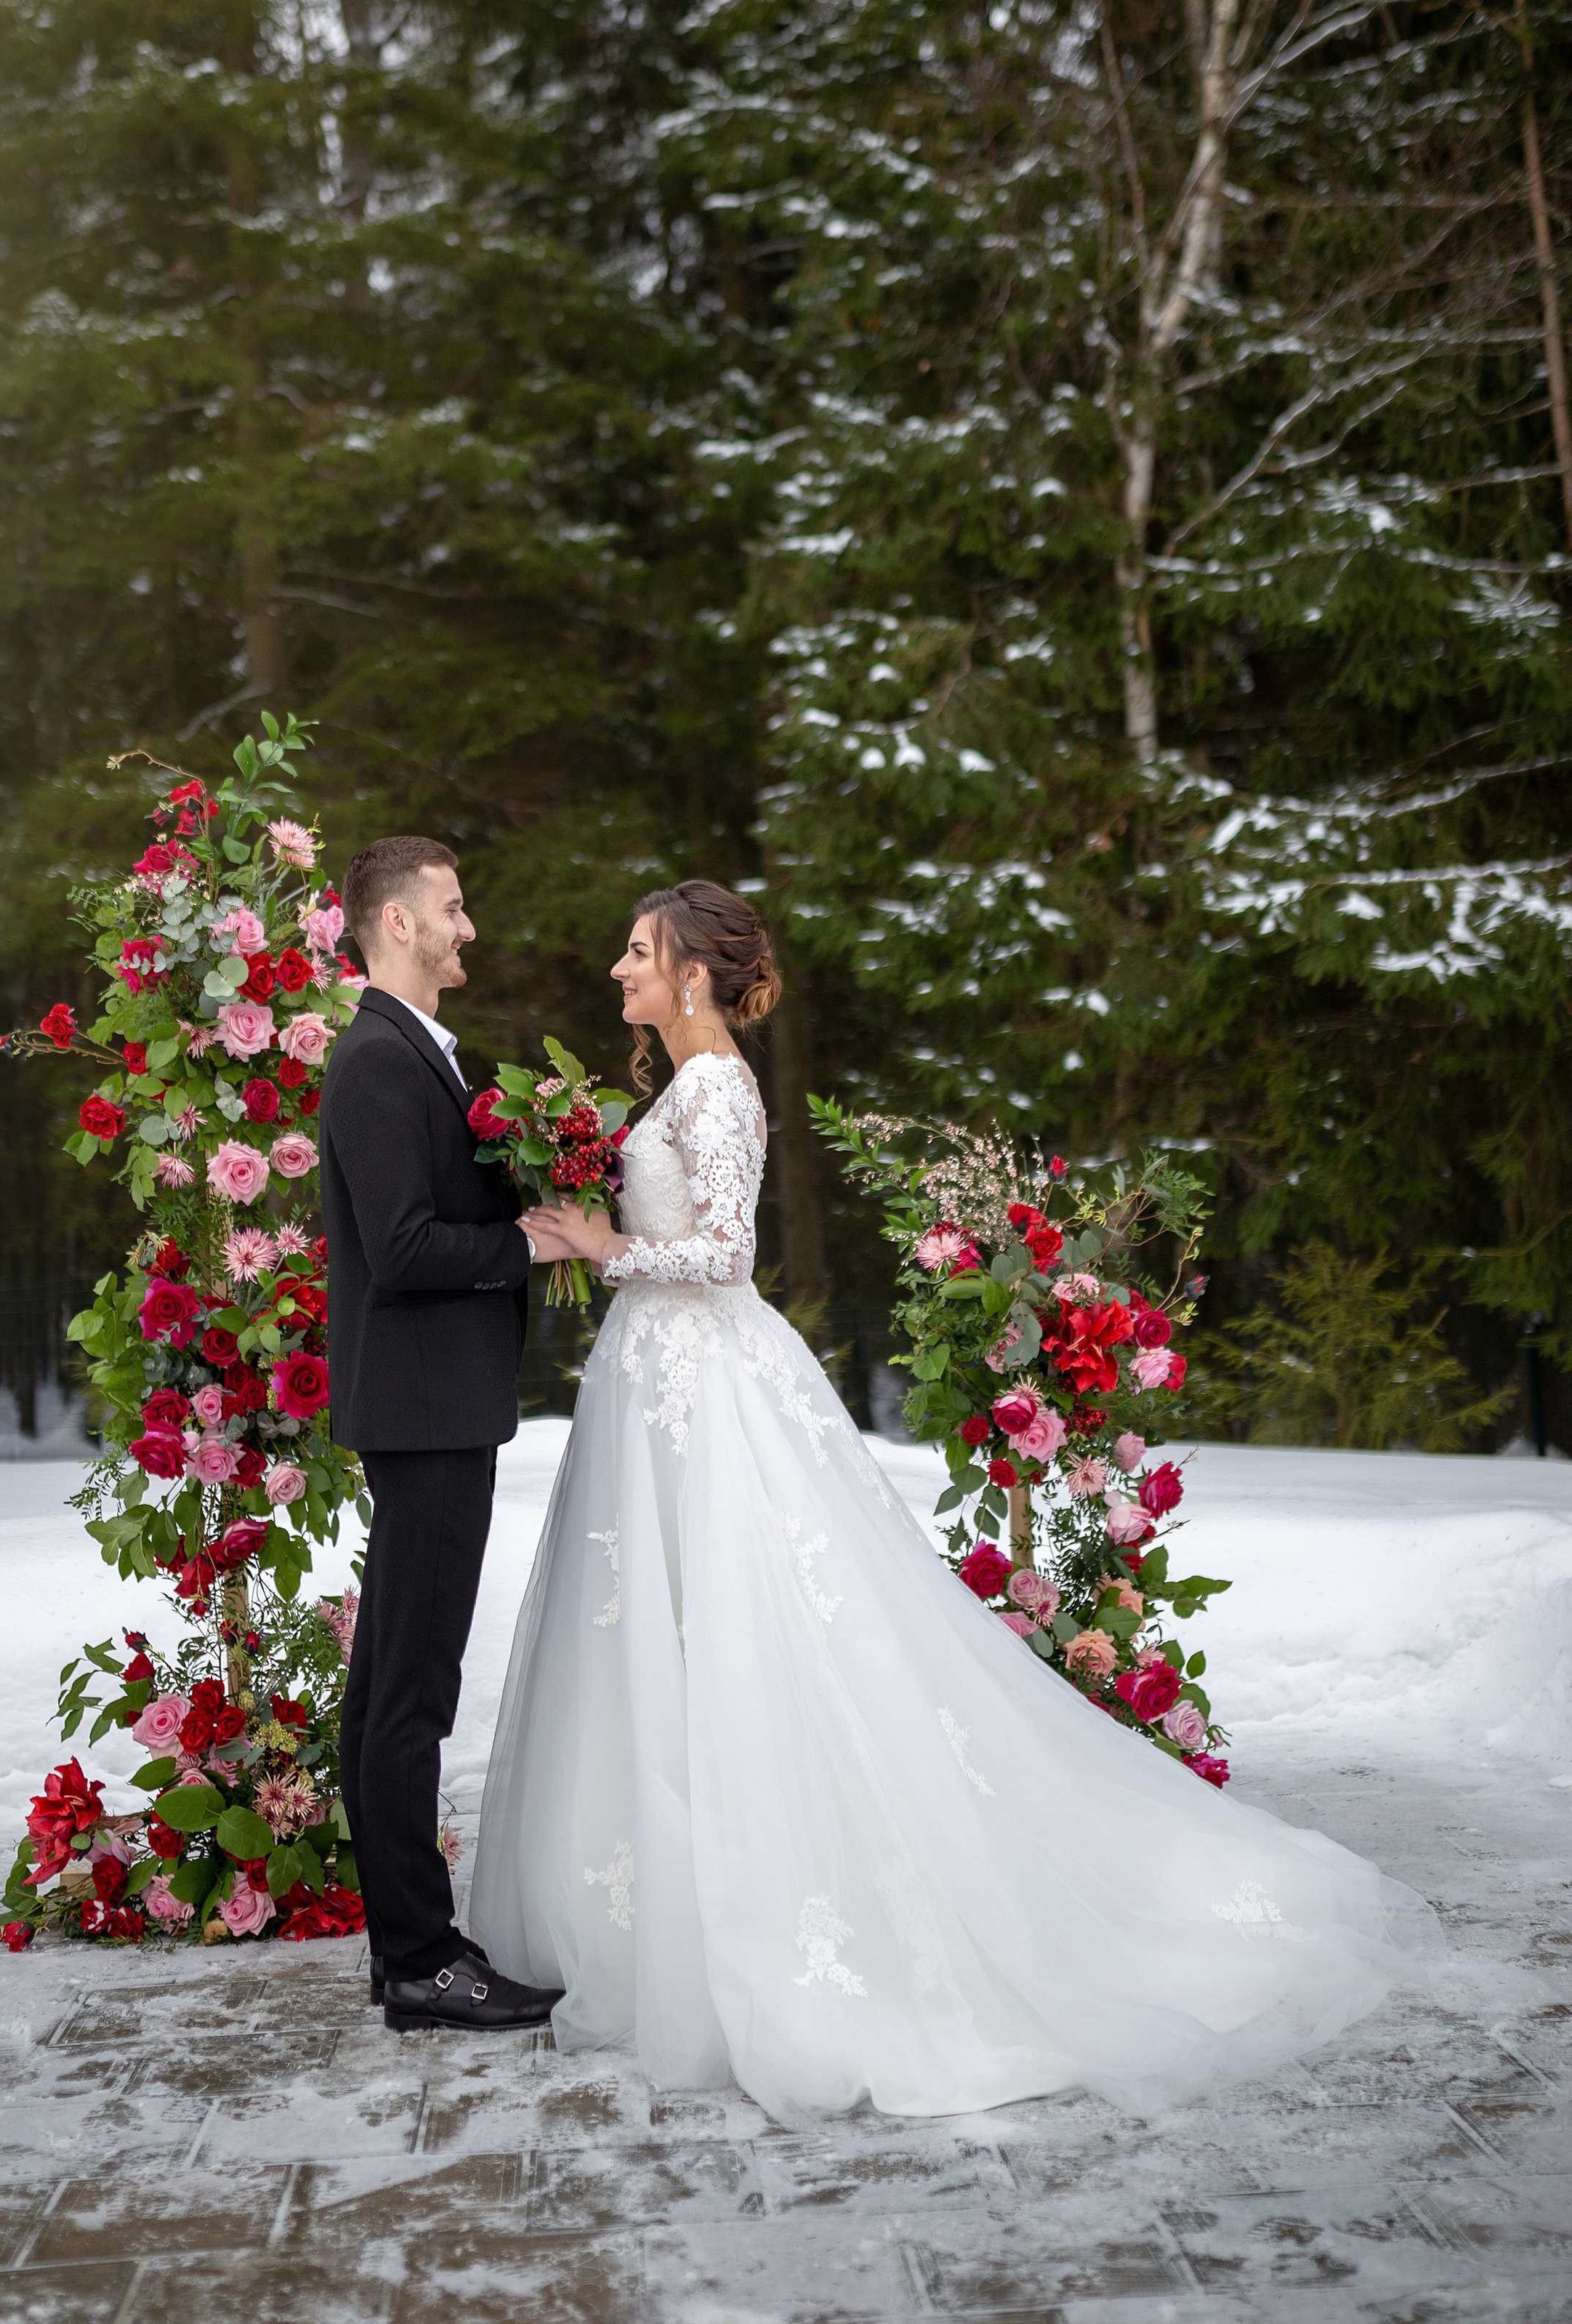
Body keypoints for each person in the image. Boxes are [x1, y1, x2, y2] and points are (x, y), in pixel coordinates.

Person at [469, 880, 1430, 2118]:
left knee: (747, 1623)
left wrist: (604, 1248)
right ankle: (657, 1895)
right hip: (657, 1383)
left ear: (694, 976)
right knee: (660, 1635)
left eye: (639, 952)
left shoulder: (715, 1089)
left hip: (702, 1381)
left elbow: (724, 1258)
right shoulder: (680, 1086)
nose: (618, 969)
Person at [316, 835, 572, 2035]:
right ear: (400, 923)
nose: (469, 927)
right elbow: (406, 1249)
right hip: (421, 1413)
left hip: (428, 1408)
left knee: (389, 1693)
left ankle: (407, 1947)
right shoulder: (376, 1060)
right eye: (454, 909)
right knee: (410, 1695)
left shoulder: (414, 1053)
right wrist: (537, 1243)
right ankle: (420, 1962)